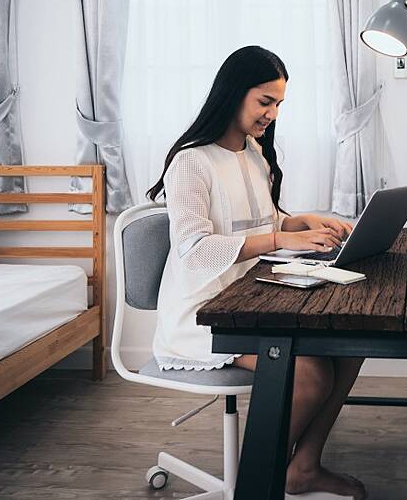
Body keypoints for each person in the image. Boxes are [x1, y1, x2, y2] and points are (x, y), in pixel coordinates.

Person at [146, 45, 367, 499]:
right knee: (310, 374)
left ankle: (302, 468)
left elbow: (261, 221)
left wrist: (298, 222)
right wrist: (280, 239)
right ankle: (256, 482)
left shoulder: (253, 153)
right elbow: (194, 250)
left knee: (347, 349)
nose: (272, 113)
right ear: (233, 94)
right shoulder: (191, 161)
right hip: (205, 315)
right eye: (265, 101)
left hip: (252, 298)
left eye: (279, 104)